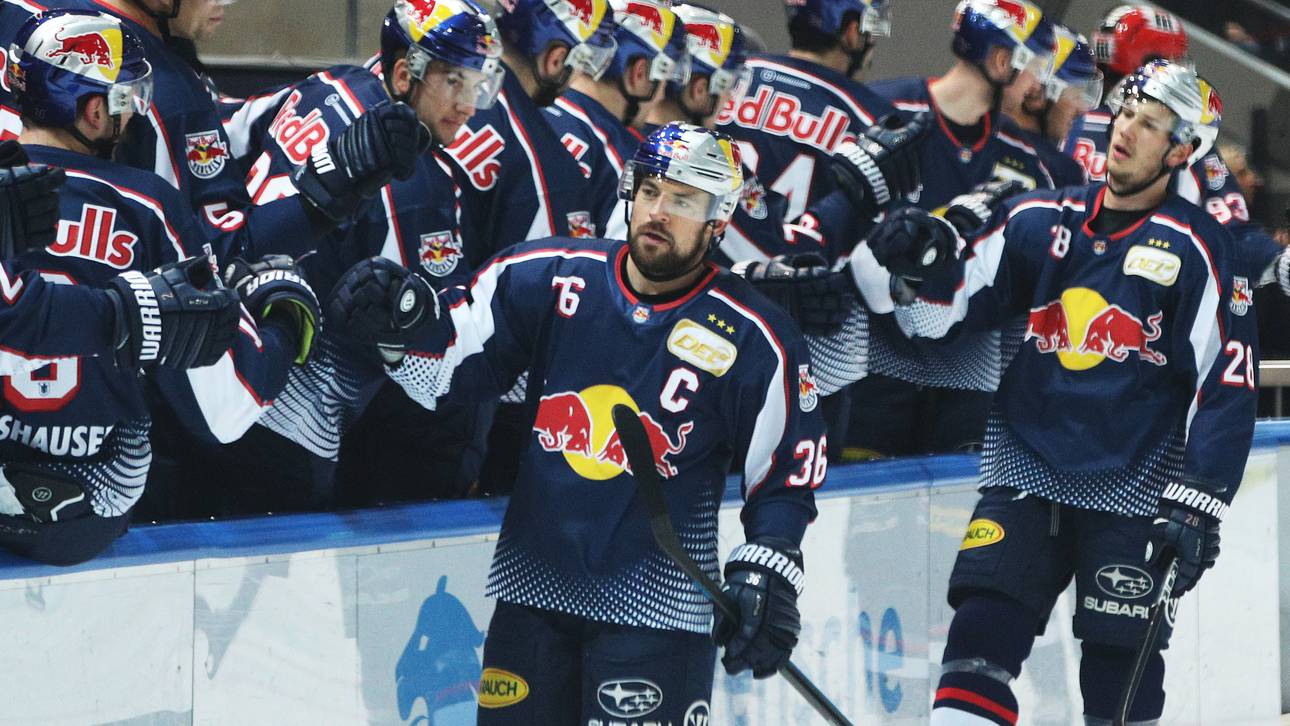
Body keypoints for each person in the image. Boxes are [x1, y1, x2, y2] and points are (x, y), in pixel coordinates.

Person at [332, 123, 826, 723]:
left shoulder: (755, 334)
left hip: (659, 613)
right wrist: (402, 323)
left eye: (684, 200)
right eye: (650, 191)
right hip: (533, 597)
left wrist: (769, 570)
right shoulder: (548, 274)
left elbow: (785, 474)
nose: (659, 211)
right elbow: (451, 366)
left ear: (719, 221)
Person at [851, 60, 1256, 725]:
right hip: (1025, 477)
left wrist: (1199, 499)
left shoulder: (1200, 249)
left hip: (1135, 494)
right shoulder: (1039, 218)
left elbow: (1228, 378)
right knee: (975, 650)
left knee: (1118, 686)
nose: (1124, 130)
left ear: (1182, 151)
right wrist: (913, 262)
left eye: (1150, 125)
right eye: (1126, 112)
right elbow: (948, 310)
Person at [0, 10, 316, 562]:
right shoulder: (147, 206)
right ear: (95, 111)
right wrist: (284, 326)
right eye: (126, 99)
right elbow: (226, 407)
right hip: (85, 517)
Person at [194, 0, 502, 514]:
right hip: (288, 427)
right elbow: (439, 352)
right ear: (405, 74)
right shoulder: (417, 183)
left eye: (477, 83)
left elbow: (221, 133)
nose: (469, 104)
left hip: (204, 372)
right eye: (454, 81)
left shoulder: (325, 85)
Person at [1063, 4, 1283, 289]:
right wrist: (1276, 262)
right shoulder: (1183, 142)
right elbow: (1232, 232)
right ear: (1150, 62)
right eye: (1175, 60)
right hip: (1136, 296)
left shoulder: (1062, 115)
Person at [542, 0, 687, 240]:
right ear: (639, 72)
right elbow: (613, 268)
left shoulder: (525, 109)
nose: (661, 95)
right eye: (664, 79)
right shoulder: (625, 161)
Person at [1000, 23, 1099, 188]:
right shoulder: (1064, 172)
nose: (1083, 108)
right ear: (1038, 91)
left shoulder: (977, 129)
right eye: (1076, 93)